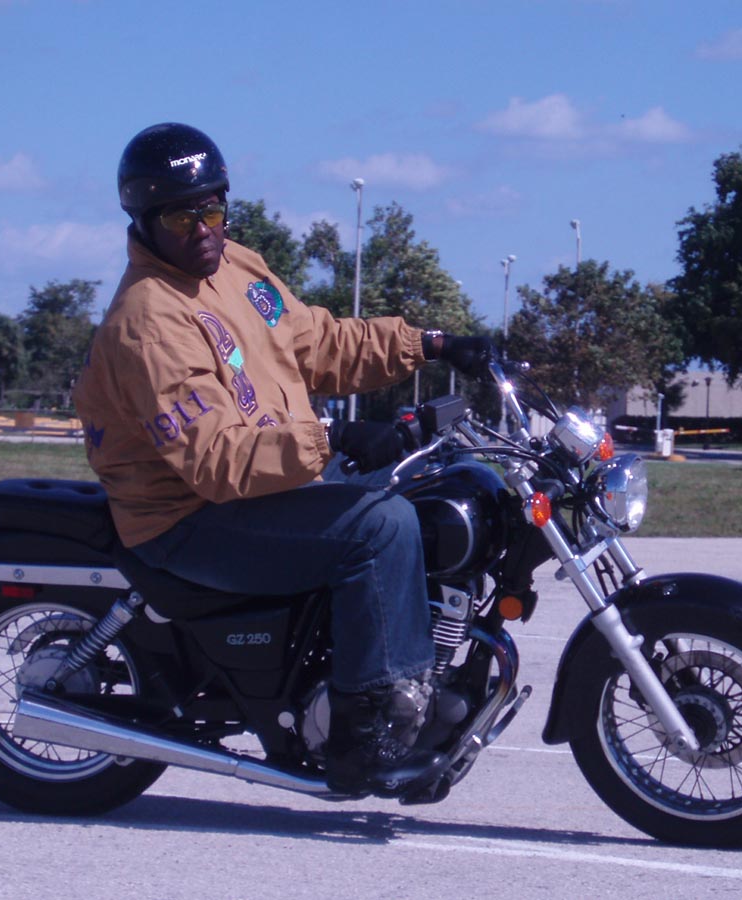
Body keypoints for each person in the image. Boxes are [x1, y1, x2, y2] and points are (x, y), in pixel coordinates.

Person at [73, 122, 492, 794]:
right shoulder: (147, 323)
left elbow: (317, 344)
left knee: (425, 492)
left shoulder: (236, 268)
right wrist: (334, 439)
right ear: (144, 220)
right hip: (188, 517)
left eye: (213, 209)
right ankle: (365, 738)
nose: (203, 229)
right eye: (181, 217)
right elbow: (216, 460)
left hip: (266, 486)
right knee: (379, 527)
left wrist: (432, 345)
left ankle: (409, 680)